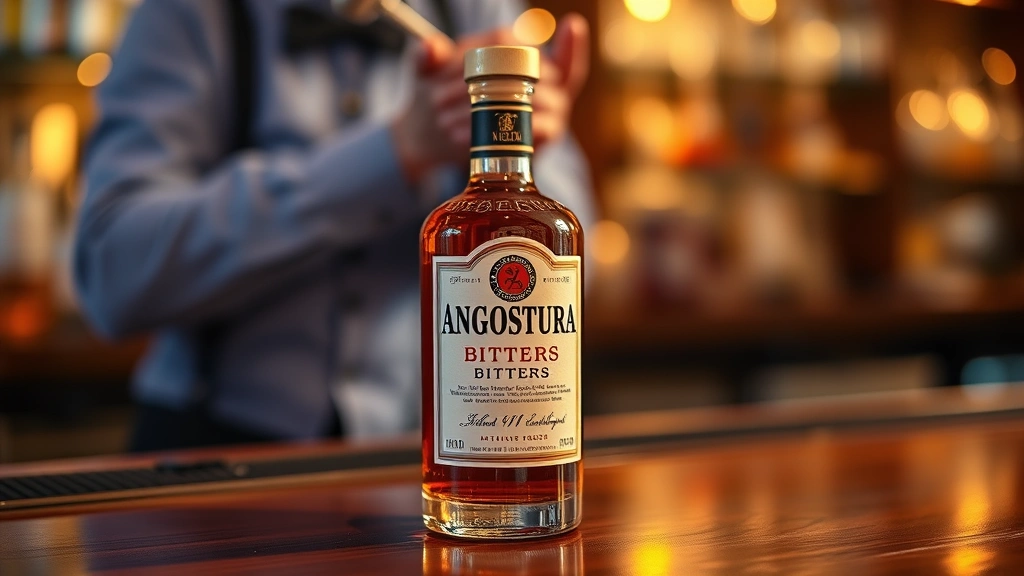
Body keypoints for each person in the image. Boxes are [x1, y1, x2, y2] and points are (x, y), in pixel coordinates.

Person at [73, 0, 596, 451]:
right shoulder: (188, 15)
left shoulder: (474, 11)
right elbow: (110, 275)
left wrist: (524, 159)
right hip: (212, 459)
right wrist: (392, 154)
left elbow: (577, 273)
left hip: (430, 457)